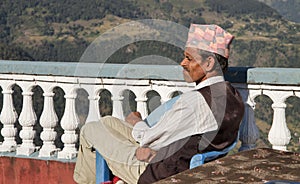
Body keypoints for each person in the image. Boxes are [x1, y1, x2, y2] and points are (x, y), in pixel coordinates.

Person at [73, 24, 245, 184]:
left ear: (209, 63)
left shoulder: (195, 102)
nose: (182, 63)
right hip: (181, 158)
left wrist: (135, 122)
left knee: (91, 130)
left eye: (189, 59)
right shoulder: (232, 95)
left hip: (158, 171)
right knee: (108, 122)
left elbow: (150, 141)